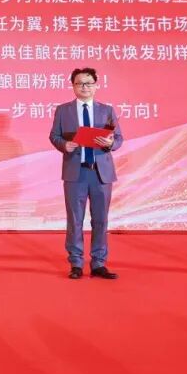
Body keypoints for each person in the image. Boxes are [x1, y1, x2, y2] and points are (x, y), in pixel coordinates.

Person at [49, 67, 123, 280]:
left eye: (89, 83)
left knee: (101, 220)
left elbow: (118, 138)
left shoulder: (106, 110)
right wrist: (64, 145)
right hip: (76, 172)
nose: (84, 87)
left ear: (96, 86)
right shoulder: (63, 110)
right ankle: (76, 263)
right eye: (80, 83)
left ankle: (99, 263)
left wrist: (109, 143)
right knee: (75, 220)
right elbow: (54, 136)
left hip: (101, 173)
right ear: (73, 86)